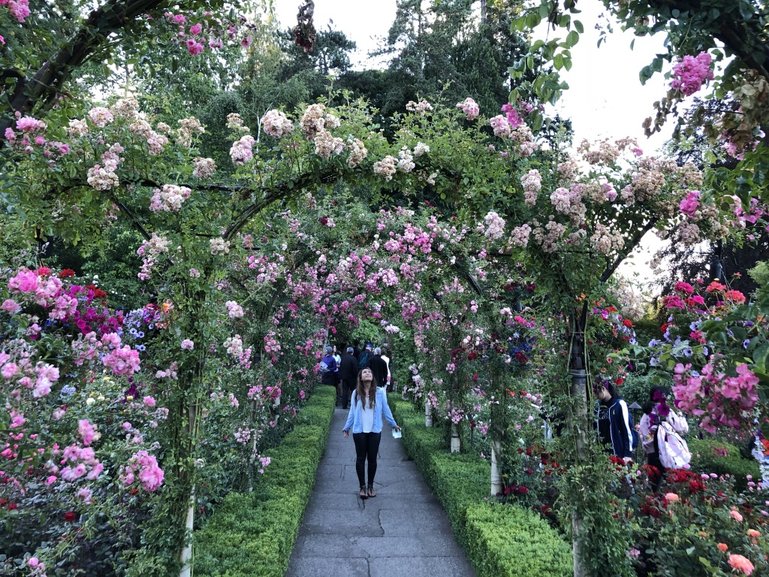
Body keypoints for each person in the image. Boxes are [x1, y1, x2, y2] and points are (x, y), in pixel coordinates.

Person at [342, 368, 400, 499]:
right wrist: (347, 427)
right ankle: (362, 487)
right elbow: (352, 412)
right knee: (360, 459)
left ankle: (371, 486)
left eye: (369, 372)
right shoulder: (356, 393)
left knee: (373, 459)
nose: (367, 374)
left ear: (373, 376)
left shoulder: (380, 392)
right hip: (359, 431)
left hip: (375, 431)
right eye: (364, 373)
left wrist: (393, 424)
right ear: (361, 378)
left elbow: (386, 409)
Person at [639, 386, 689, 488]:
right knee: (670, 484)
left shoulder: (646, 415)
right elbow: (682, 428)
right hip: (669, 453)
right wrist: (680, 413)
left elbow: (645, 436)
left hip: (653, 454)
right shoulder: (666, 410)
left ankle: (653, 502)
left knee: (654, 484)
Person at [595, 381, 636, 462]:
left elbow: (627, 429)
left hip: (618, 453)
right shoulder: (597, 408)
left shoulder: (619, 404)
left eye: (597, 392)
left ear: (603, 389)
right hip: (601, 455)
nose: (595, 396)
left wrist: (627, 454)